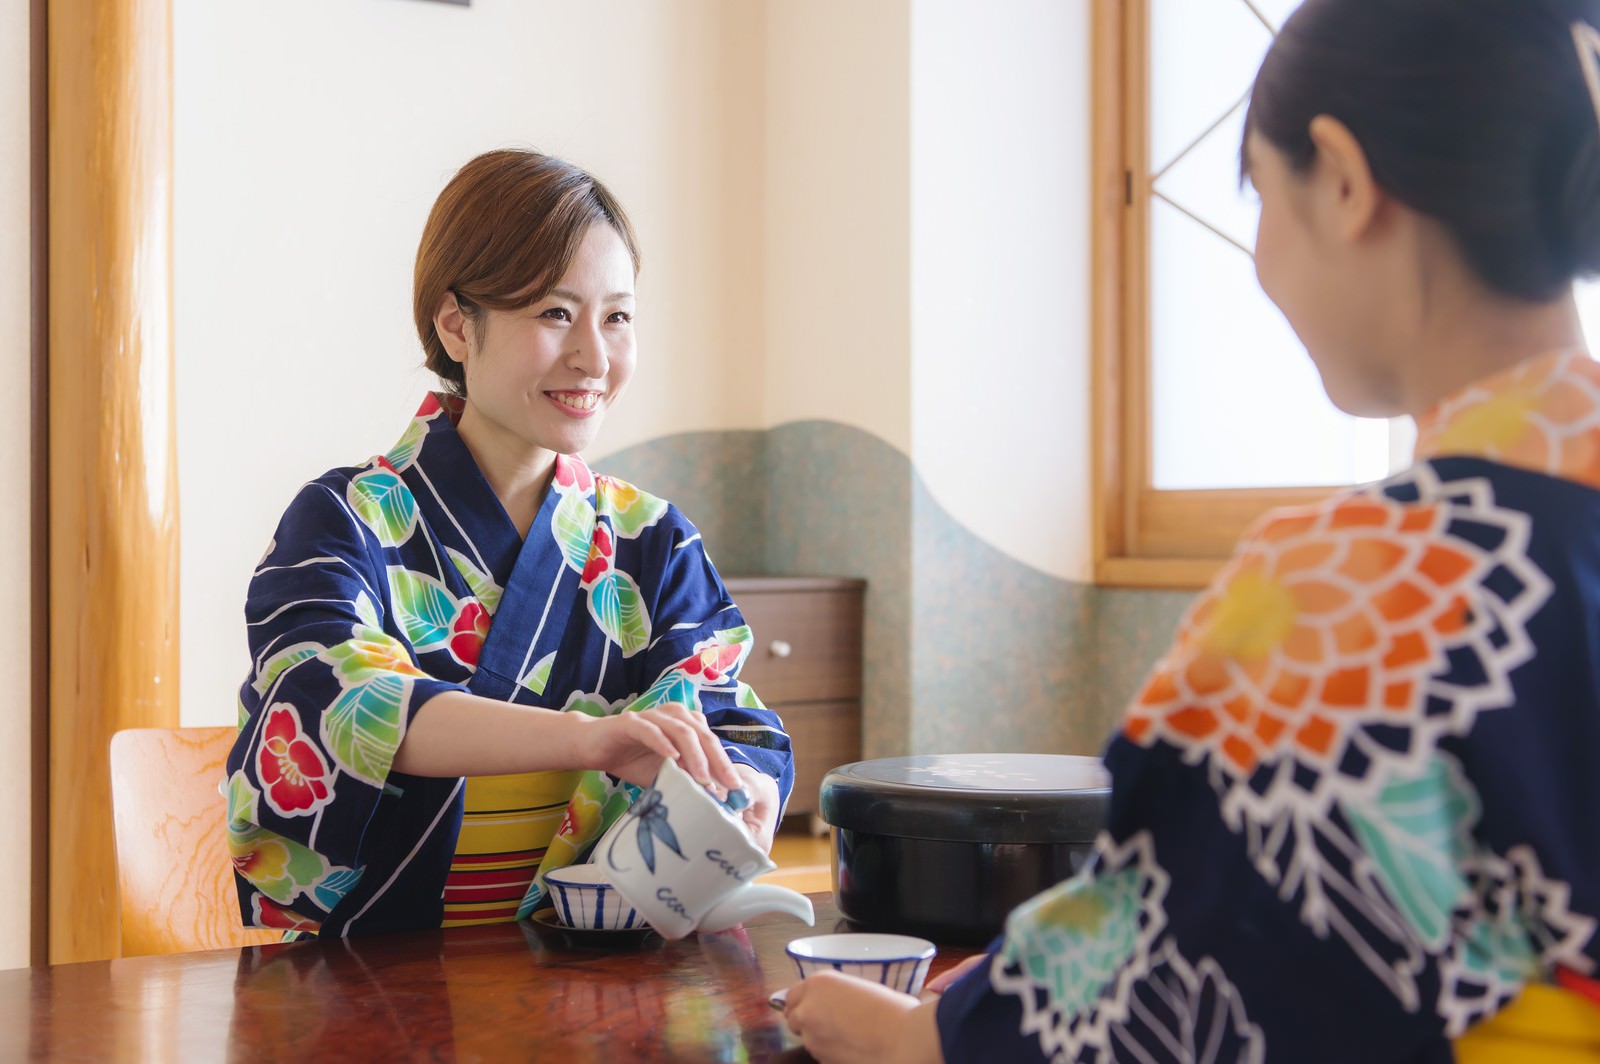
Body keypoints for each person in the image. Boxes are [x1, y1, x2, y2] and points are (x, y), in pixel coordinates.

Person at [783, 0, 1600, 1059]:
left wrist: (913, 1034)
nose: (1260, 262)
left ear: (1344, 182)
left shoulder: (1361, 590)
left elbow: (1153, 982)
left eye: (1264, 194)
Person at [223, 149, 793, 937]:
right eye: (556, 313)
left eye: (617, 316)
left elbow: (731, 723)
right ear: (457, 324)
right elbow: (341, 698)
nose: (594, 357)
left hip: (588, 977)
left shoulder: (653, 542)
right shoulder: (341, 519)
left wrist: (748, 788)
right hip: (373, 979)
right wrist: (593, 740)